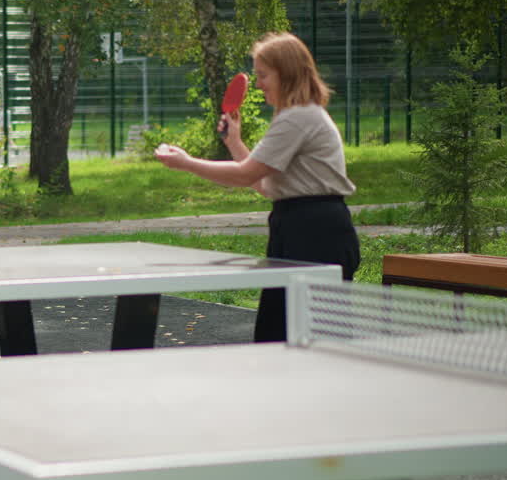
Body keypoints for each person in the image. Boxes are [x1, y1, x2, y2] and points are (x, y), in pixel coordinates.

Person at [154, 32, 360, 342]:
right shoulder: (296, 117)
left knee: (305, 342)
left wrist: (186, 162)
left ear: (287, 74)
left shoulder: (298, 118)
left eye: (264, 75)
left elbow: (243, 175)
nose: (259, 83)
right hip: (300, 229)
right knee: (280, 337)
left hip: (316, 234)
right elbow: (263, 184)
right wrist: (235, 142)